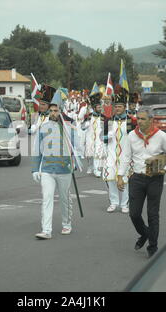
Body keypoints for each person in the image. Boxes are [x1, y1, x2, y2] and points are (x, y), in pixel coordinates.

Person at [117, 107, 166, 258]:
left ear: (151, 120)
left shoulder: (161, 136)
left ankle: (153, 246)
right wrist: (120, 176)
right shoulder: (131, 135)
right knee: (134, 214)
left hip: (155, 179)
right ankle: (144, 234)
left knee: (153, 214)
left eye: (143, 119)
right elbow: (125, 156)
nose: (140, 121)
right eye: (138, 118)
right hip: (136, 178)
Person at [31, 88, 78, 240]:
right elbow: (37, 150)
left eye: (56, 110)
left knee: (64, 198)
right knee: (47, 198)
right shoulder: (43, 127)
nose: (53, 113)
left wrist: (75, 162)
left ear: (61, 110)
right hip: (47, 169)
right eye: (51, 110)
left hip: (64, 169)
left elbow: (76, 148)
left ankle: (66, 223)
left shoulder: (70, 127)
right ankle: (46, 229)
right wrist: (34, 169)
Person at [102, 85, 137, 214]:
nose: (117, 108)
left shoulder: (132, 121)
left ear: (124, 107)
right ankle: (114, 202)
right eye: (115, 106)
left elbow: (137, 138)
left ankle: (125, 203)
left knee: (126, 179)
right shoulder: (108, 121)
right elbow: (103, 138)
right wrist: (107, 136)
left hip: (126, 155)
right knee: (110, 178)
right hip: (111, 154)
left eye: (120, 106)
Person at [83, 90, 106, 177]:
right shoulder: (89, 116)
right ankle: (90, 166)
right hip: (90, 137)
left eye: (101, 107)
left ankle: (97, 170)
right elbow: (83, 127)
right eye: (99, 107)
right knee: (89, 154)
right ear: (94, 108)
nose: (100, 108)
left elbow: (106, 127)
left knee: (97, 153)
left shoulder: (103, 117)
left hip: (99, 138)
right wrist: (86, 123)